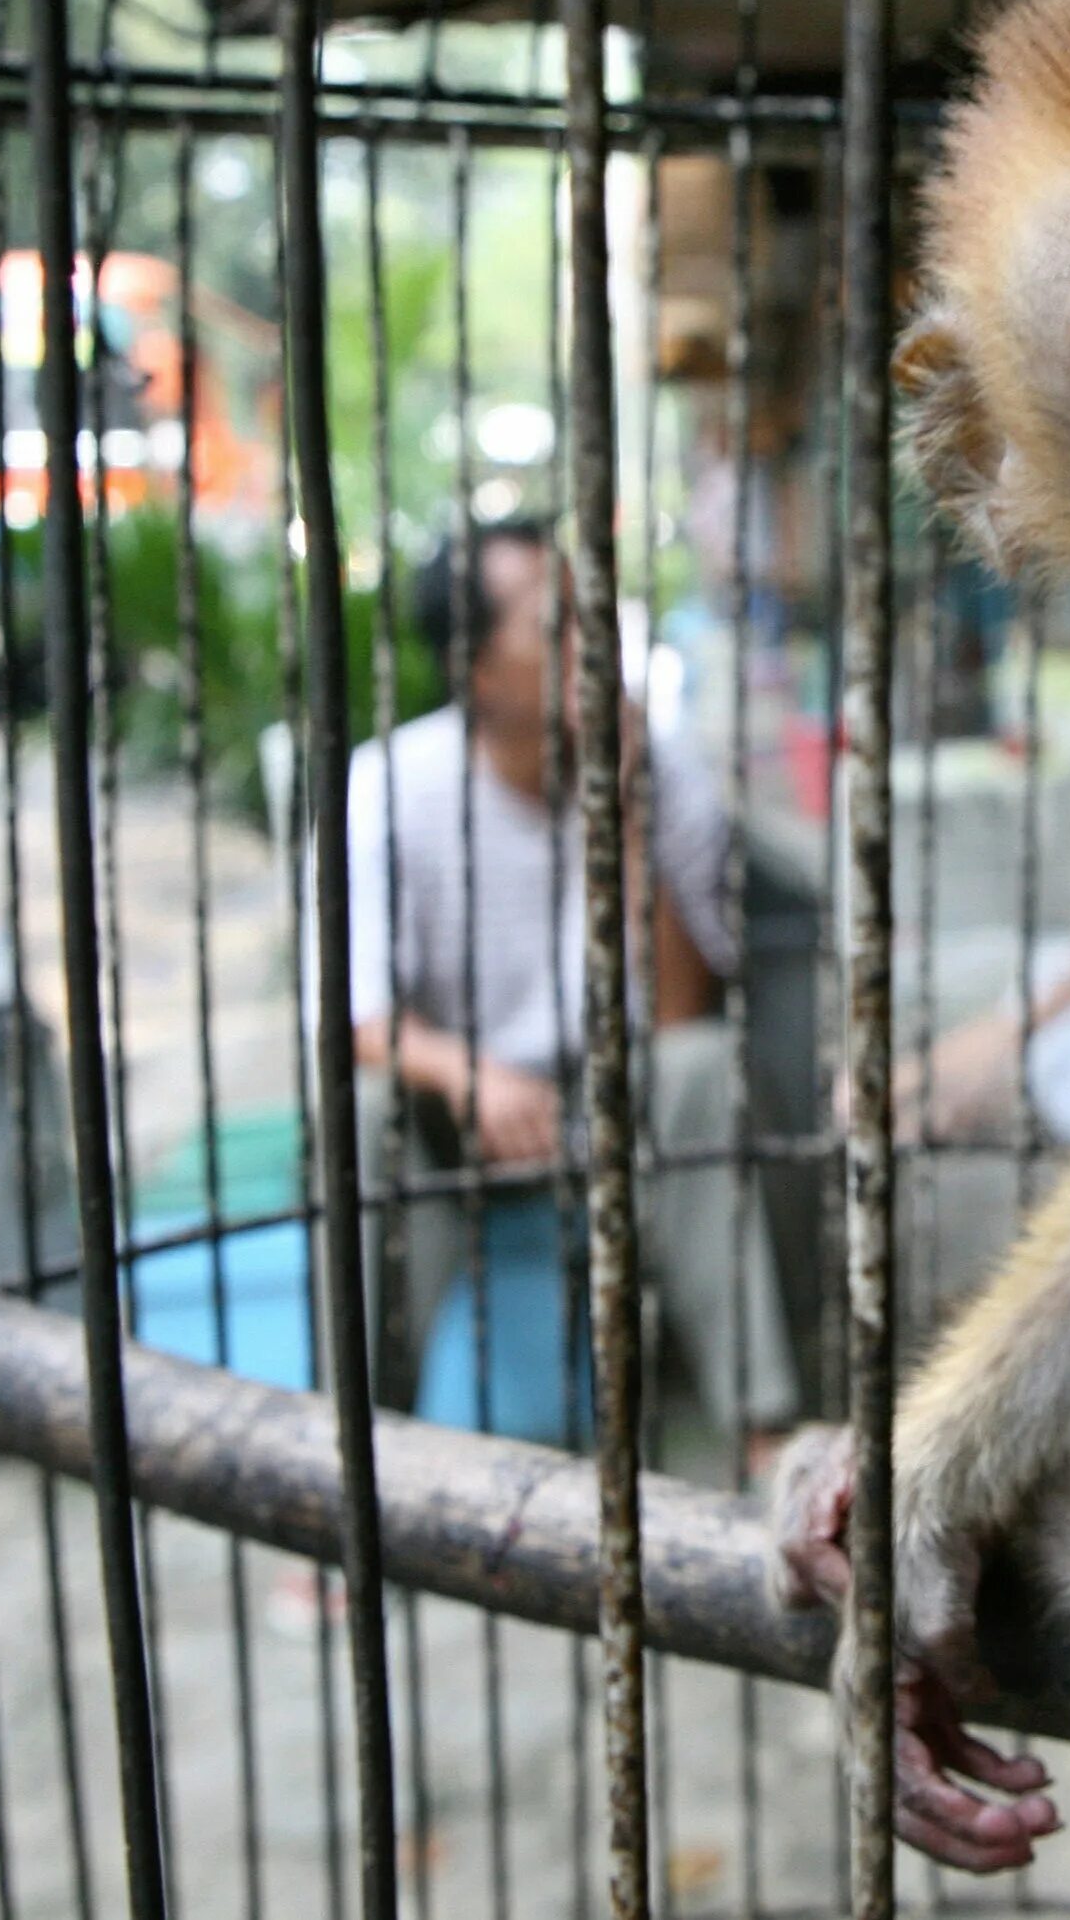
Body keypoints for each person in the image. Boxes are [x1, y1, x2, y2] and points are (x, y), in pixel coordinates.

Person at [331, 514, 800, 1456]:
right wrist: (472, 1077)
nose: (598, 650)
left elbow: (677, 1014)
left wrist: (626, 810)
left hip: (604, 1092)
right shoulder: (392, 785)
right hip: (457, 1100)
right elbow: (356, 1017)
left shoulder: (654, 759)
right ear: (476, 671)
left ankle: (762, 1431)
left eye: (599, 616)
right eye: (559, 627)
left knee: (703, 1067)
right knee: (360, 1112)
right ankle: (353, 1462)